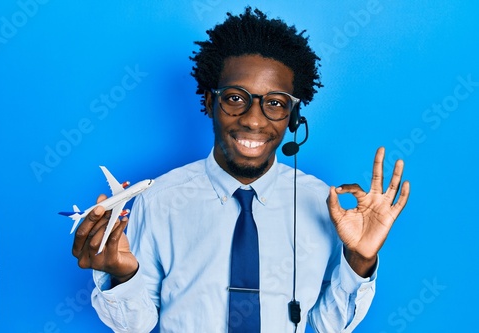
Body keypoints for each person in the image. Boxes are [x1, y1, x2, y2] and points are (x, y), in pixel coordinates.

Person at [72, 7, 410, 333]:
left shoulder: (325, 205)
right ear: (209, 102)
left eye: (275, 103)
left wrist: (359, 260)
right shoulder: (159, 200)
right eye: (235, 98)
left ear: (293, 117)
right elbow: (134, 326)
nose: (252, 119)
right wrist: (122, 277)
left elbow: (330, 326)